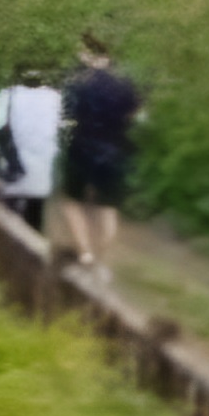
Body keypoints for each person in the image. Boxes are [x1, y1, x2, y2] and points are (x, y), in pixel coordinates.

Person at [58, 30, 145, 268]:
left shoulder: (79, 82)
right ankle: (99, 260)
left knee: (71, 201)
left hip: (82, 147)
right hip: (116, 150)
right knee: (107, 208)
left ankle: (84, 254)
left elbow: (67, 115)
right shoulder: (126, 85)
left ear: (91, 52)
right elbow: (136, 114)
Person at [0, 58, 65, 232]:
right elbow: (62, 125)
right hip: (44, 160)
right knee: (36, 212)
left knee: (10, 210)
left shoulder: (9, 95)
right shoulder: (55, 97)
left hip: (15, 160)